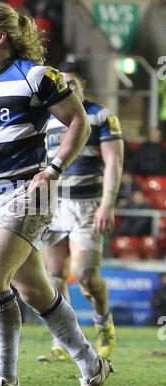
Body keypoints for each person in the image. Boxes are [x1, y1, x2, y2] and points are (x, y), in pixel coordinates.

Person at [0, 1, 113, 386]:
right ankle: (92, 366)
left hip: (31, 191)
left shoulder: (37, 76)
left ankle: (6, 378)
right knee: (35, 290)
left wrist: (54, 169)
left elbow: (80, 122)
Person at [39, 61, 123, 362]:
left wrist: (107, 203)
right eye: (62, 83)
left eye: (72, 83)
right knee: (54, 276)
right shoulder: (45, 117)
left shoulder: (101, 116)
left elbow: (113, 162)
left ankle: (103, 324)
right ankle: (61, 342)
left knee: (85, 275)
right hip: (52, 206)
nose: (67, 87)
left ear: (83, 85)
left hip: (87, 206)